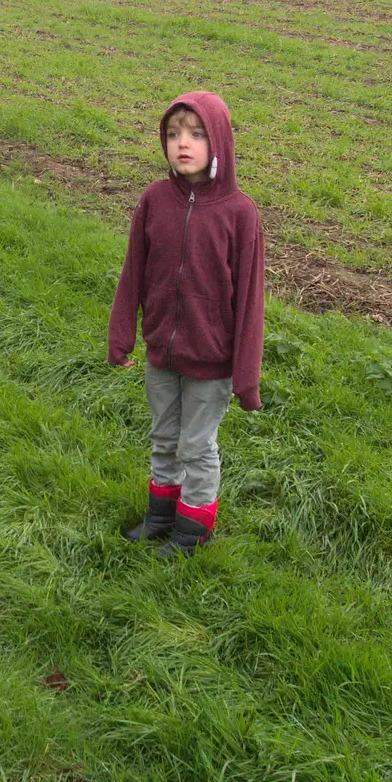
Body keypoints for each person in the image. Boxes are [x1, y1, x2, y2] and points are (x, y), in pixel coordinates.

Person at [108, 92, 266, 557]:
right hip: (162, 351)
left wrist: (246, 377)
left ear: (219, 141)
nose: (183, 143)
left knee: (196, 445)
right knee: (163, 437)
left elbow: (251, 303)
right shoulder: (155, 200)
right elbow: (133, 271)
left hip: (211, 361)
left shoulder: (240, 214)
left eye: (196, 134)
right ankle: (160, 515)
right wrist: (122, 336)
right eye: (174, 133)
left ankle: (193, 529)